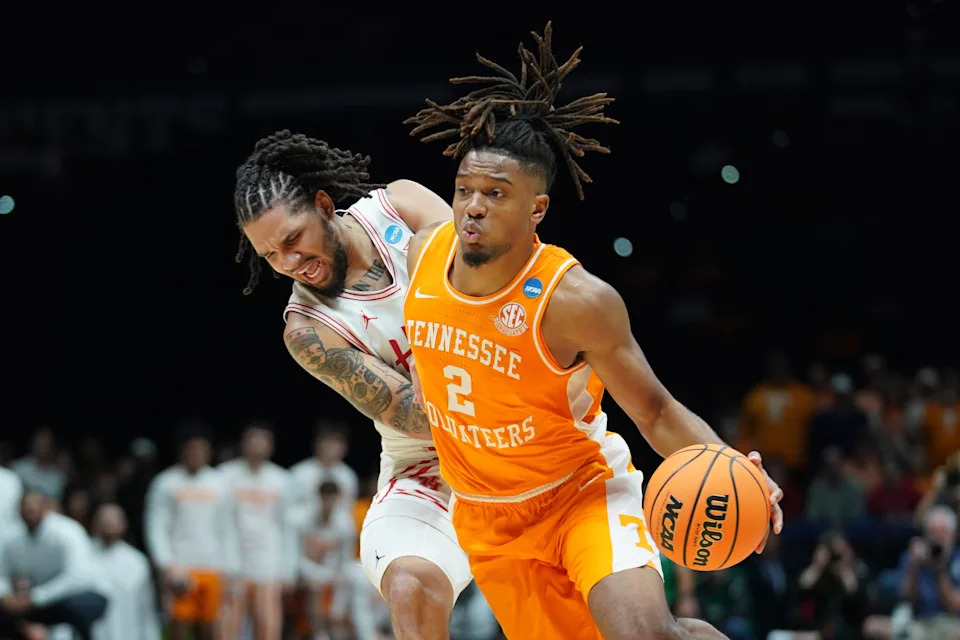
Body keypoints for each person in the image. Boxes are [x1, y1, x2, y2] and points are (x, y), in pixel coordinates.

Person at [401, 21, 784, 639]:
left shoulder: (574, 300)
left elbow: (656, 411)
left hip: (580, 495)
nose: (473, 205)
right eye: (465, 190)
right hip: (489, 519)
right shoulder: (424, 257)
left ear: (537, 209)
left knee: (643, 637)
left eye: (496, 194)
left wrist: (737, 466)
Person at [234, 130, 473, 639]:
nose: (289, 263)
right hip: (430, 467)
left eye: (293, 239)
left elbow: (496, 281)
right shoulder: (307, 329)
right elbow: (416, 414)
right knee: (408, 586)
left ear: (323, 205)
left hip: (524, 435)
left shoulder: (401, 208)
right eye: (270, 255)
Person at [143, 421, 239, 640]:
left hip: (213, 567)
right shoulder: (165, 483)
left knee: (210, 629)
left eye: (202, 448)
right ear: (183, 450)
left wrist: (231, 569)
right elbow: (156, 528)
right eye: (192, 448)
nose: (197, 453)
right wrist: (166, 565)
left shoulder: (220, 483)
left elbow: (227, 529)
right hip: (180, 567)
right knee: (179, 628)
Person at [218, 422, 298, 640]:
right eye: (252, 440)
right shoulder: (225, 475)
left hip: (269, 565)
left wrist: (288, 569)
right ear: (243, 444)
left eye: (262, 440)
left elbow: (288, 527)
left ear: (270, 446)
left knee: (268, 627)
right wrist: (225, 564)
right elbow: (222, 524)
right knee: (228, 628)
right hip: (233, 564)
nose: (256, 445)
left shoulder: (282, 480)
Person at [0, 492, 110, 640]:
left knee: (78, 608)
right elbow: (2, 572)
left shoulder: (67, 531)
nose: (29, 512)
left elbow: (77, 577)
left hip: (85, 593)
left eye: (34, 508)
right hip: (39, 599)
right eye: (25, 508)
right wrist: (5, 595)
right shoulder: (13, 537)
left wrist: (36, 597)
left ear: (45, 508)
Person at [89, 503, 161, 640]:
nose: (109, 524)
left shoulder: (136, 561)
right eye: (104, 520)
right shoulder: (84, 555)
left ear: (124, 524)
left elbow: (145, 609)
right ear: (95, 524)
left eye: (114, 519)